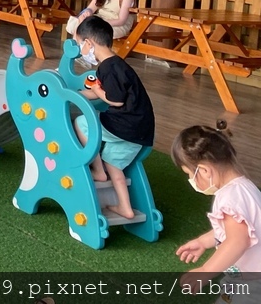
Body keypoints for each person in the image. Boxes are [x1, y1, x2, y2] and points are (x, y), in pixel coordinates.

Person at [73, 16, 155, 220]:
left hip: (124, 123)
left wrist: (96, 90)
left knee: (82, 123)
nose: (80, 50)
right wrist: (75, 93)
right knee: (115, 166)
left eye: (79, 45)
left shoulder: (108, 67)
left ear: (89, 43)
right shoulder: (117, 65)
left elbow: (114, 100)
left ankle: (98, 171)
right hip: (139, 129)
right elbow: (100, 91)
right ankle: (125, 208)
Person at [171, 125, 261, 287]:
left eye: (189, 174)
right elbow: (232, 230)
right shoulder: (243, 187)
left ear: (204, 171)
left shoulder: (230, 198)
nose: (190, 179)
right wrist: (203, 241)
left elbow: (237, 241)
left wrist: (206, 270)